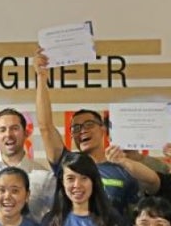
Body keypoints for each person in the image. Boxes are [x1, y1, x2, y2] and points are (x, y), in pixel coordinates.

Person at [35, 53, 149, 213]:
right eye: (76, 128)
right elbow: (45, 127)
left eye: (89, 124)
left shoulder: (123, 168)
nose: (82, 130)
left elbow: (137, 214)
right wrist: (41, 77)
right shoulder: (67, 163)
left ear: (103, 129)